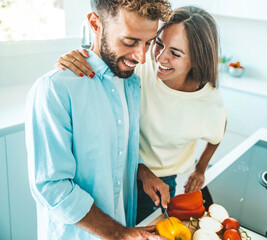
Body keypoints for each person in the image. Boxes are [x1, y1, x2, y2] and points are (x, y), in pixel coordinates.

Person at [56, 6, 227, 224]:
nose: (159, 58)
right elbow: (107, 60)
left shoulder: (208, 103)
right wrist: (81, 56)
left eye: (175, 53)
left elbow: (218, 131)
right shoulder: (140, 69)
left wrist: (200, 170)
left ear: (197, 60)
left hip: (159, 184)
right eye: (158, 44)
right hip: (120, 168)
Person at [25, 0, 171, 239]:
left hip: (125, 227)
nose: (142, 57)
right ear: (95, 23)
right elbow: (51, 186)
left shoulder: (131, 83)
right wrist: (117, 233)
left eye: (149, 42)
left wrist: (142, 170)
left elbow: (118, 149)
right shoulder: (54, 89)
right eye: (130, 41)